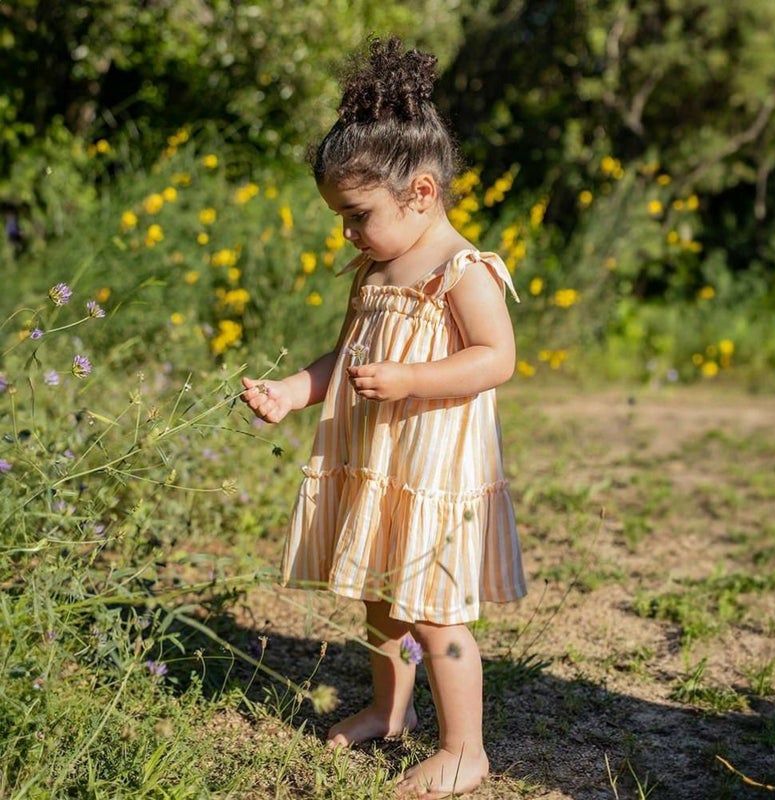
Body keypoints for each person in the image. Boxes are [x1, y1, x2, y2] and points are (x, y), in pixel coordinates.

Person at [241, 35, 527, 799]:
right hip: (382, 466)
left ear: (421, 193)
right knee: (380, 596)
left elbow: (496, 358)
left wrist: (410, 379)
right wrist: (293, 391)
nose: (347, 233)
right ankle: (389, 708)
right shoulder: (372, 271)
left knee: (434, 614)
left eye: (357, 215)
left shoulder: (462, 272)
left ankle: (465, 750)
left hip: (434, 470)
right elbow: (345, 356)